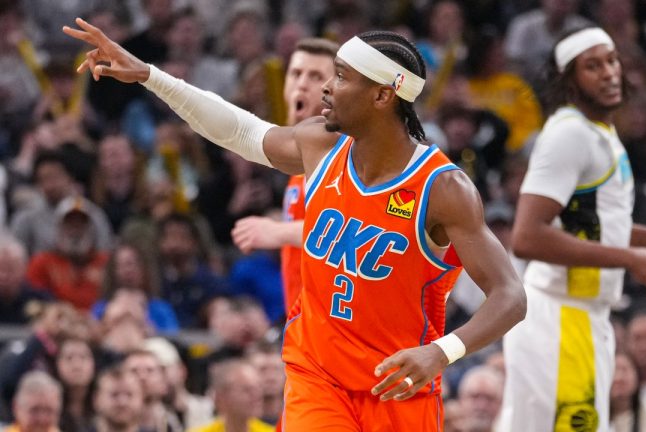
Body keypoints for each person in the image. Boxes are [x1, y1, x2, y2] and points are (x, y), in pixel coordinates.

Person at [64, 18, 527, 431]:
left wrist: (441, 352)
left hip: (398, 386)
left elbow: (510, 296)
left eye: (341, 78)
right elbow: (239, 130)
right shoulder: (320, 146)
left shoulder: (442, 189)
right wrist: (150, 75)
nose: (326, 87)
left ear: (384, 95)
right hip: (316, 375)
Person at [499, 26, 646, 432]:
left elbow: (590, 224)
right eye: (593, 65)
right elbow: (527, 236)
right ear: (569, 79)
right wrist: (630, 258)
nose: (609, 72)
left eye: (612, 60)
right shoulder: (568, 134)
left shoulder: (599, 133)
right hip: (558, 318)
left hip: (581, 317)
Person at [231, 38, 338, 317]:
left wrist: (276, 231)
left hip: (334, 330)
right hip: (302, 325)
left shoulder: (342, 152)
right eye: (296, 73)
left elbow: (350, 230)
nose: (302, 84)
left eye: (315, 76)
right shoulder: (299, 157)